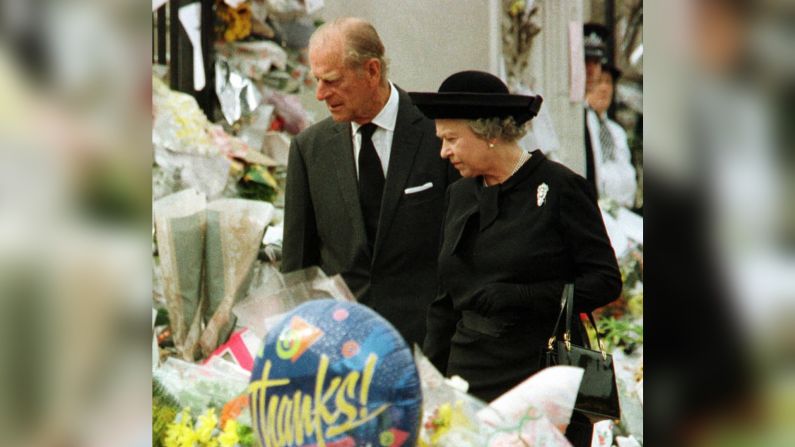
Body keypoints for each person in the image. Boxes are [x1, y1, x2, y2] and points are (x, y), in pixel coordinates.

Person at [411, 71, 622, 446]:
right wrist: (431, 384)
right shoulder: (459, 195)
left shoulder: (560, 188)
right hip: (468, 380)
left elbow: (605, 280)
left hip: (539, 379)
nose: (444, 151)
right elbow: (444, 302)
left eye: (451, 139)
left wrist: (524, 296)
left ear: (490, 134)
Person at [281, 17, 458, 348]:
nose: (320, 94)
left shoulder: (438, 135)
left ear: (372, 71)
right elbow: (297, 270)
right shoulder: (309, 149)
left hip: (428, 346)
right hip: (342, 349)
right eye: (317, 80)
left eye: (332, 81)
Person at [585, 63, 638, 208]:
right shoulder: (584, 124)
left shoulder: (617, 132)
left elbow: (629, 179)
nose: (604, 88)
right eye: (599, 81)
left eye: (608, 82)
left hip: (619, 209)